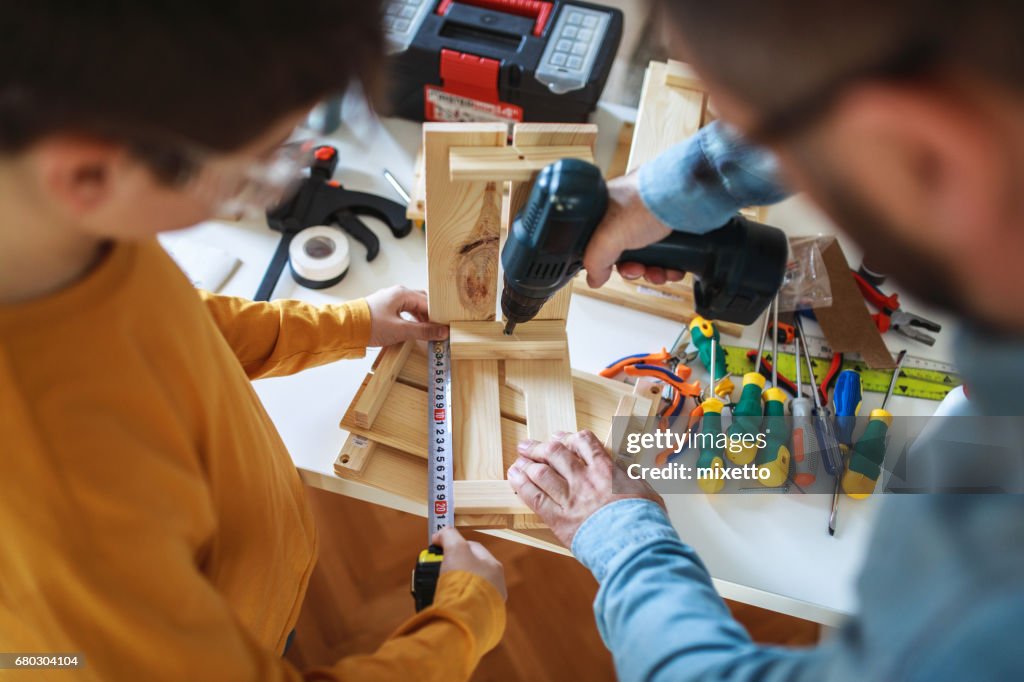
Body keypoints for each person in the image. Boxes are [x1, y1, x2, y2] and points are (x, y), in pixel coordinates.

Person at [509, 1, 1024, 680]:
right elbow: (837, 101)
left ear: (925, 153)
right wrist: (659, 194)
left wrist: (618, 530)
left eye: (784, 151)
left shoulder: (980, 593)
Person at [0, 2, 505, 679]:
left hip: (247, 605)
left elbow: (178, 324)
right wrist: (462, 620)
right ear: (89, 174)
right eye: (259, 162)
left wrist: (349, 323)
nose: (272, 182)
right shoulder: (70, 497)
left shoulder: (61, 236)